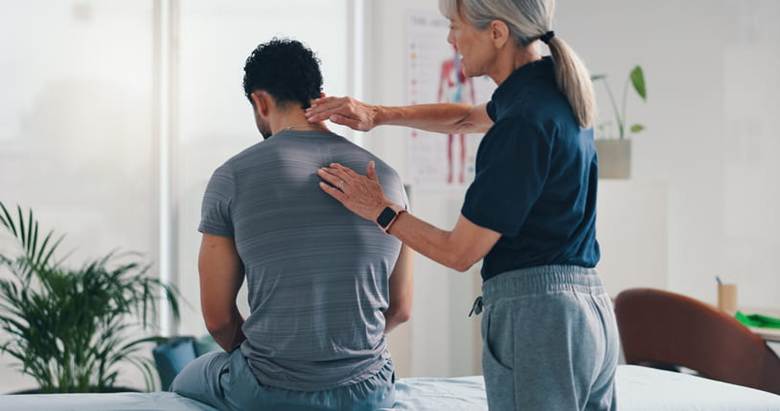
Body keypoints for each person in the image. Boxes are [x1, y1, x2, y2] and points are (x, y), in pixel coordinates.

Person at [305, 0, 619, 409]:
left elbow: (459, 252)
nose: (450, 39)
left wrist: (380, 210)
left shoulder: (521, 125)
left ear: (497, 33)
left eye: (455, 26)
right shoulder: (551, 90)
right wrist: (376, 115)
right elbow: (466, 119)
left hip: (541, 320)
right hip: (587, 310)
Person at [171, 38, 413, 411]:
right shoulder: (388, 178)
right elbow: (400, 309)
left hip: (266, 393)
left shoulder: (232, 176)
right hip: (371, 393)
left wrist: (280, 368)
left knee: (183, 377)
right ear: (320, 97)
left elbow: (218, 320)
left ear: (260, 102)